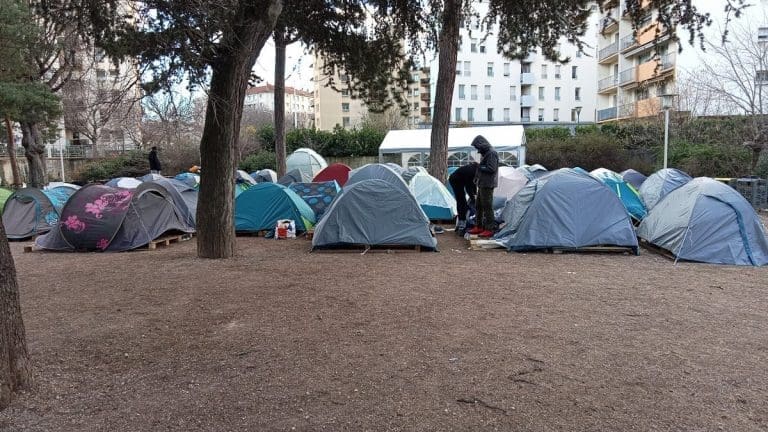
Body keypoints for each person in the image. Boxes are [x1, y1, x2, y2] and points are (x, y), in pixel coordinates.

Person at [467, 135, 498, 238]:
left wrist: (479, 166)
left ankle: (489, 228)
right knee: (478, 205)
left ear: (481, 144)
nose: (478, 150)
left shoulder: (491, 153)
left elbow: (492, 168)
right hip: (482, 183)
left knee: (487, 206)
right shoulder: (486, 153)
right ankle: (479, 226)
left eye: (477, 147)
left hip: (488, 184)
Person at [448, 161, 478, 236]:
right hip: (455, 180)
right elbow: (468, 187)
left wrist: (475, 194)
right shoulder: (471, 171)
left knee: (463, 200)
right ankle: (462, 222)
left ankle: (461, 221)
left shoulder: (474, 170)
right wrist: (473, 198)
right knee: (461, 200)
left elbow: (473, 184)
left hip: (460, 180)